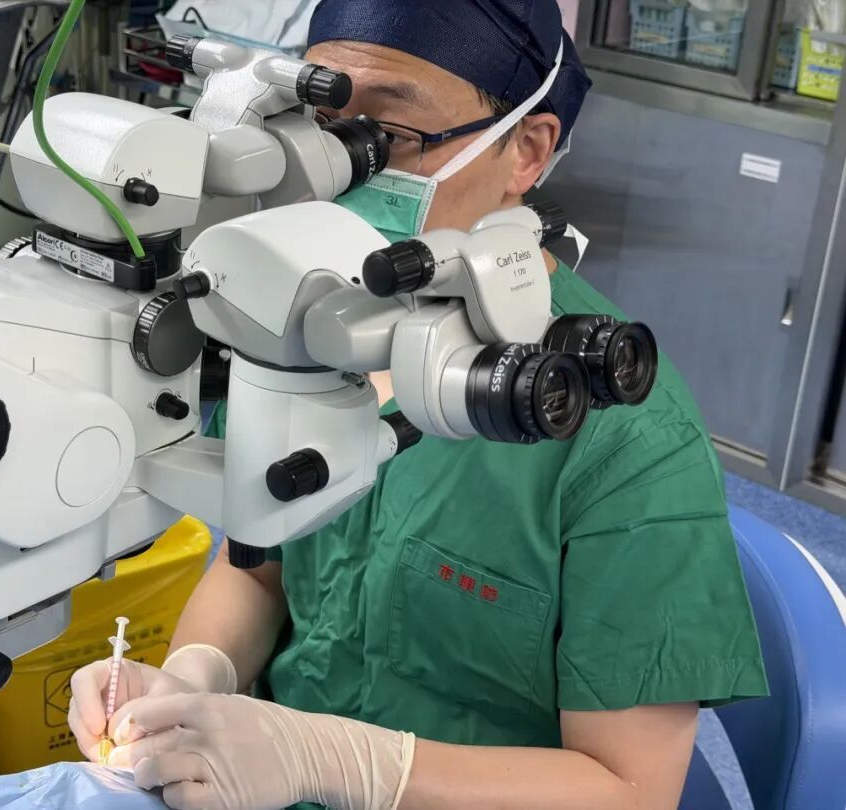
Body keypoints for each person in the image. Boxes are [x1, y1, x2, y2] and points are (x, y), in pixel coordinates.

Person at [70, 1, 769, 808]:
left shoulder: (625, 436)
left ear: (526, 150)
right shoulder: (291, 331)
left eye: (389, 137)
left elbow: (629, 792)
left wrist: (340, 762)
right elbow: (257, 573)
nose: (337, 168)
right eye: (322, 126)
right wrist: (196, 680)